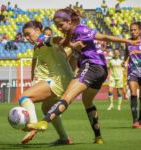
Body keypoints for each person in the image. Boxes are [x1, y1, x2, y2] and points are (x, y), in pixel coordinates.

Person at [28, 7, 141, 144]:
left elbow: (103, 36)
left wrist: (127, 42)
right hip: (100, 70)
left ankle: (43, 123)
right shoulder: (72, 34)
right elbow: (69, 52)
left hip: (92, 66)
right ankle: (98, 137)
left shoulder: (80, 29)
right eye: (57, 26)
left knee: (66, 97)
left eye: (61, 25)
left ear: (69, 22)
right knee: (87, 102)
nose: (59, 28)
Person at [18, 20, 74, 144]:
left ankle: (33, 124)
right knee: (47, 108)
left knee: (24, 97)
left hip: (59, 81)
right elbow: (36, 62)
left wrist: (67, 42)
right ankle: (64, 138)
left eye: (28, 34)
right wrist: (34, 78)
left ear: (38, 31)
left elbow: (55, 40)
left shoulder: (44, 39)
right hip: (63, 80)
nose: (27, 37)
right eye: (25, 35)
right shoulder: (38, 46)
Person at [122, 22, 141, 128]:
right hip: (132, 71)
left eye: (135, 29)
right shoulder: (128, 42)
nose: (133, 31)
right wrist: (124, 60)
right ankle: (135, 121)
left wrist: (137, 53)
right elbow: (126, 52)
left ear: (140, 30)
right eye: (131, 29)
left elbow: (134, 52)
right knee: (133, 94)